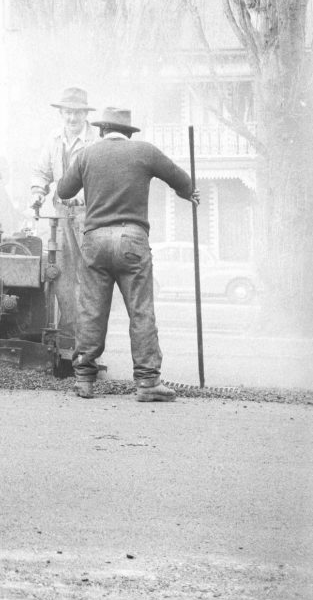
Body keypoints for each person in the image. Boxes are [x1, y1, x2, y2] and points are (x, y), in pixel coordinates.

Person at [56, 107, 199, 402]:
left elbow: (64, 191)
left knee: (92, 310)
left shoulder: (86, 154)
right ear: (129, 132)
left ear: (101, 130)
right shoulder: (144, 151)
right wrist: (188, 192)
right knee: (140, 310)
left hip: (94, 240)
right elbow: (179, 177)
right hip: (132, 239)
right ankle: (147, 384)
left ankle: (84, 380)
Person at [27, 86, 99, 357]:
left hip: (88, 215)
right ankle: (70, 336)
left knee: (90, 275)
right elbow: (41, 171)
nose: (72, 118)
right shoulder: (54, 139)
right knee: (62, 275)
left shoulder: (95, 141)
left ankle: (90, 342)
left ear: (85, 114)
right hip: (59, 216)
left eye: (77, 113)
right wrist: (37, 192)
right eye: (68, 112)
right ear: (61, 114)